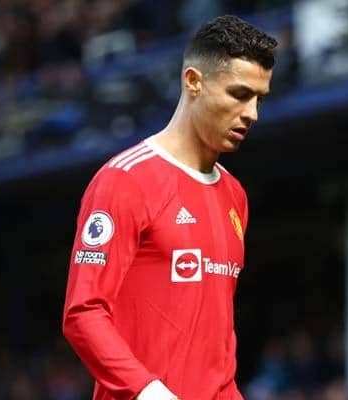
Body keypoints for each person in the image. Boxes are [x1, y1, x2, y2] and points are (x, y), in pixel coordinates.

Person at [62, 15, 277, 400]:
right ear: (193, 81)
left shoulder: (235, 195)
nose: (252, 114)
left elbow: (214, 346)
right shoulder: (124, 181)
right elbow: (84, 314)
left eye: (259, 99)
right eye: (240, 94)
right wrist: (149, 393)